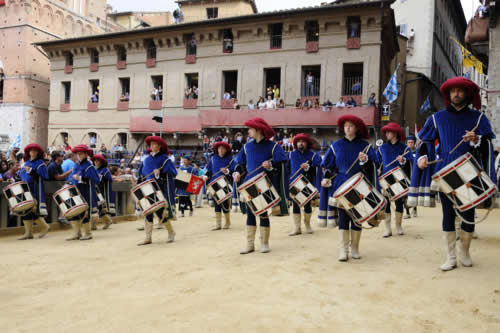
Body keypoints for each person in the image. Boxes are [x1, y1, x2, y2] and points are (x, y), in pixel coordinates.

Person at [412, 77, 496, 271]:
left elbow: (488, 146)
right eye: (453, 91)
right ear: (449, 95)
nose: (456, 94)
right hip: (444, 172)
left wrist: (477, 139)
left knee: (468, 213)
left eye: (460, 90)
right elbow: (424, 143)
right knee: (448, 214)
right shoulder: (436, 118)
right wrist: (421, 158)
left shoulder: (478, 119)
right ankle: (450, 256)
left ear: (466, 94)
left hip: (470, 172)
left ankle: (465, 252)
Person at [321, 115, 380, 261]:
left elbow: (375, 165)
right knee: (343, 216)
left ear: (357, 129)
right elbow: (328, 166)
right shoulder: (336, 146)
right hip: (340, 184)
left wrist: (365, 160)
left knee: (357, 217)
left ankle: (355, 248)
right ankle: (343, 250)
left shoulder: (365, 146)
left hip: (359, 185)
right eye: (345, 126)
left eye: (351, 126)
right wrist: (326, 177)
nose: (347, 128)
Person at [233, 117, 288, 254]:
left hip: (265, 185)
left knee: (263, 214)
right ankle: (250, 244)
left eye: (250, 129)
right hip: (249, 185)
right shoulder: (246, 147)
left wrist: (270, 165)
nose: (248, 131)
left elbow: (282, 163)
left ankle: (264, 243)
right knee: (250, 214)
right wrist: (237, 173)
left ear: (258, 130)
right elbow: (239, 164)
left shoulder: (273, 146)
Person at [137, 136, 177, 245]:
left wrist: (160, 174)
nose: (152, 146)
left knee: (160, 213)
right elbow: (141, 174)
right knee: (147, 213)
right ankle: (148, 237)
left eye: (155, 144)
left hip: (159, 190)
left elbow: (173, 173)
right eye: (151, 144)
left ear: (159, 146)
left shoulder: (165, 159)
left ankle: (171, 232)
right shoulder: (146, 160)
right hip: (146, 189)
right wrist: (139, 179)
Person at [378, 122, 408, 238]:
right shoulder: (382, 148)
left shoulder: (404, 148)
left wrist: (402, 160)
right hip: (385, 178)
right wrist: (378, 169)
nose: (386, 134)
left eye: (389, 132)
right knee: (386, 202)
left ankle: (398, 226)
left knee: (399, 202)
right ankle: (387, 228)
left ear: (395, 133)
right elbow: (377, 161)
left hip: (399, 178)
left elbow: (410, 162)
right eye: (386, 132)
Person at [287, 133, 322, 236]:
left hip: (308, 183)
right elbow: (287, 168)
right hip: (294, 183)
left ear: (307, 143)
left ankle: (307, 224)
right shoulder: (290, 154)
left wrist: (308, 167)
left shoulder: (314, 155)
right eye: (298, 142)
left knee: (307, 205)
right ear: (296, 143)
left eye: (303, 141)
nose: (300, 143)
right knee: (295, 205)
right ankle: (297, 228)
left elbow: (318, 167)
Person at [66, 144, 100, 241]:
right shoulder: (76, 165)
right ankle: (77, 233)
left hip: (86, 190)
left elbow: (95, 179)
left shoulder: (89, 166)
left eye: (81, 154)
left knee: (85, 211)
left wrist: (81, 178)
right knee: (75, 211)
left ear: (86, 154)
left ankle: (88, 233)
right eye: (77, 154)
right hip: (77, 191)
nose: (79, 155)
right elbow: (73, 176)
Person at [16, 144, 50, 240]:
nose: (33, 152)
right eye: (31, 150)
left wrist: (31, 171)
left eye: (35, 150)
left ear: (38, 152)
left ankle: (44, 226)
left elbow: (43, 177)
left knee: (34, 209)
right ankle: (28, 233)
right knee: (26, 210)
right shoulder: (25, 163)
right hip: (25, 190)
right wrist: (15, 179)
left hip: (35, 189)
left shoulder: (41, 164)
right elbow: (20, 176)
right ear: (28, 152)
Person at [203, 142, 235, 230]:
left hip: (225, 184)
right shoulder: (213, 158)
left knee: (225, 203)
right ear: (217, 150)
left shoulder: (230, 159)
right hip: (214, 184)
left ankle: (227, 222)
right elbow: (208, 170)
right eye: (219, 148)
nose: (221, 150)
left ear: (226, 150)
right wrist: (205, 176)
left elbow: (234, 169)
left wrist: (227, 171)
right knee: (216, 203)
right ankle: (218, 224)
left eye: (223, 148)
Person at [91, 154, 114, 230]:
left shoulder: (105, 170)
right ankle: (104, 222)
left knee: (100, 208)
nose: (95, 162)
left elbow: (99, 180)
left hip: (103, 192)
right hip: (96, 191)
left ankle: (104, 222)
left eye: (97, 161)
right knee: (98, 208)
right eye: (95, 161)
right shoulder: (95, 170)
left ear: (101, 162)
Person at [404, 135, 418, 219]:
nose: (410, 144)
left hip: (415, 175)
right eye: (409, 142)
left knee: (414, 193)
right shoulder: (405, 152)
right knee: (406, 195)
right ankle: (407, 212)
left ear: (415, 143)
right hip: (407, 175)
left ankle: (415, 209)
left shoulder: (418, 152)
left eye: (412, 142)